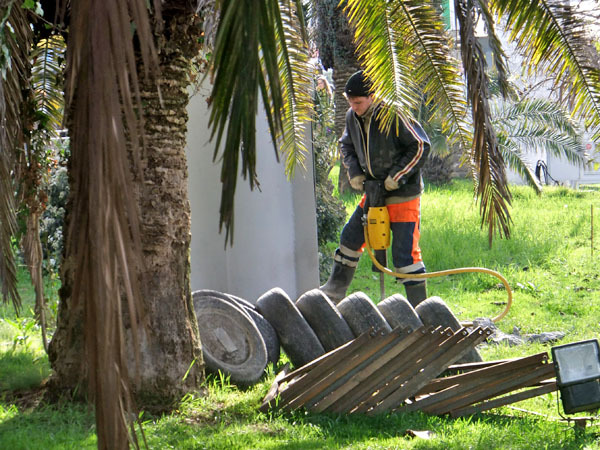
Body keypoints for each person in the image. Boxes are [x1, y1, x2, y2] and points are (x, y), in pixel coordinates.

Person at [320, 70, 431, 306]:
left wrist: (396, 176)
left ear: (372, 96)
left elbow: (420, 146)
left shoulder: (394, 114)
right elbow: (346, 145)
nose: (354, 107)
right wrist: (354, 172)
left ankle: (421, 311)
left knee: (405, 255)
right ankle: (333, 294)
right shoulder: (352, 116)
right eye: (350, 102)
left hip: (402, 194)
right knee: (350, 238)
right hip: (373, 192)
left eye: (358, 102)